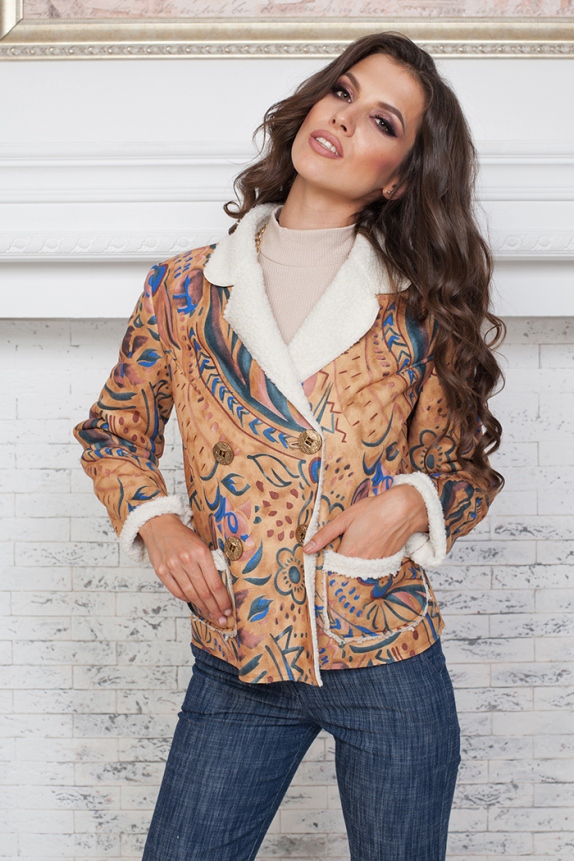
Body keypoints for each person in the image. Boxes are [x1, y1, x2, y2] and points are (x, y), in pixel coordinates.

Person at [73, 31, 506, 861]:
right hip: (238, 655)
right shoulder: (184, 288)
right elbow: (112, 434)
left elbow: (463, 472)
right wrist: (158, 522)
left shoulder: (417, 309)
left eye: (382, 121)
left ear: (399, 176)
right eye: (342, 92)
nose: (344, 118)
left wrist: (409, 503)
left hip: (385, 654)